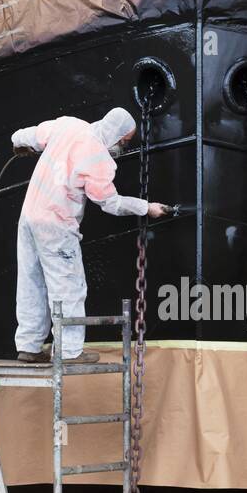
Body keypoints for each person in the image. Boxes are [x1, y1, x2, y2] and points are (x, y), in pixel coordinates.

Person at [11, 106, 167, 363]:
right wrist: (146, 207)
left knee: (31, 282)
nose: (121, 148)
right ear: (117, 136)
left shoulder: (68, 125)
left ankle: (28, 345)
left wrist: (17, 142)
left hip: (29, 217)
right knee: (69, 285)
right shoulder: (99, 159)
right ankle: (70, 352)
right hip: (57, 225)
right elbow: (110, 202)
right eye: (124, 143)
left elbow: (29, 135)